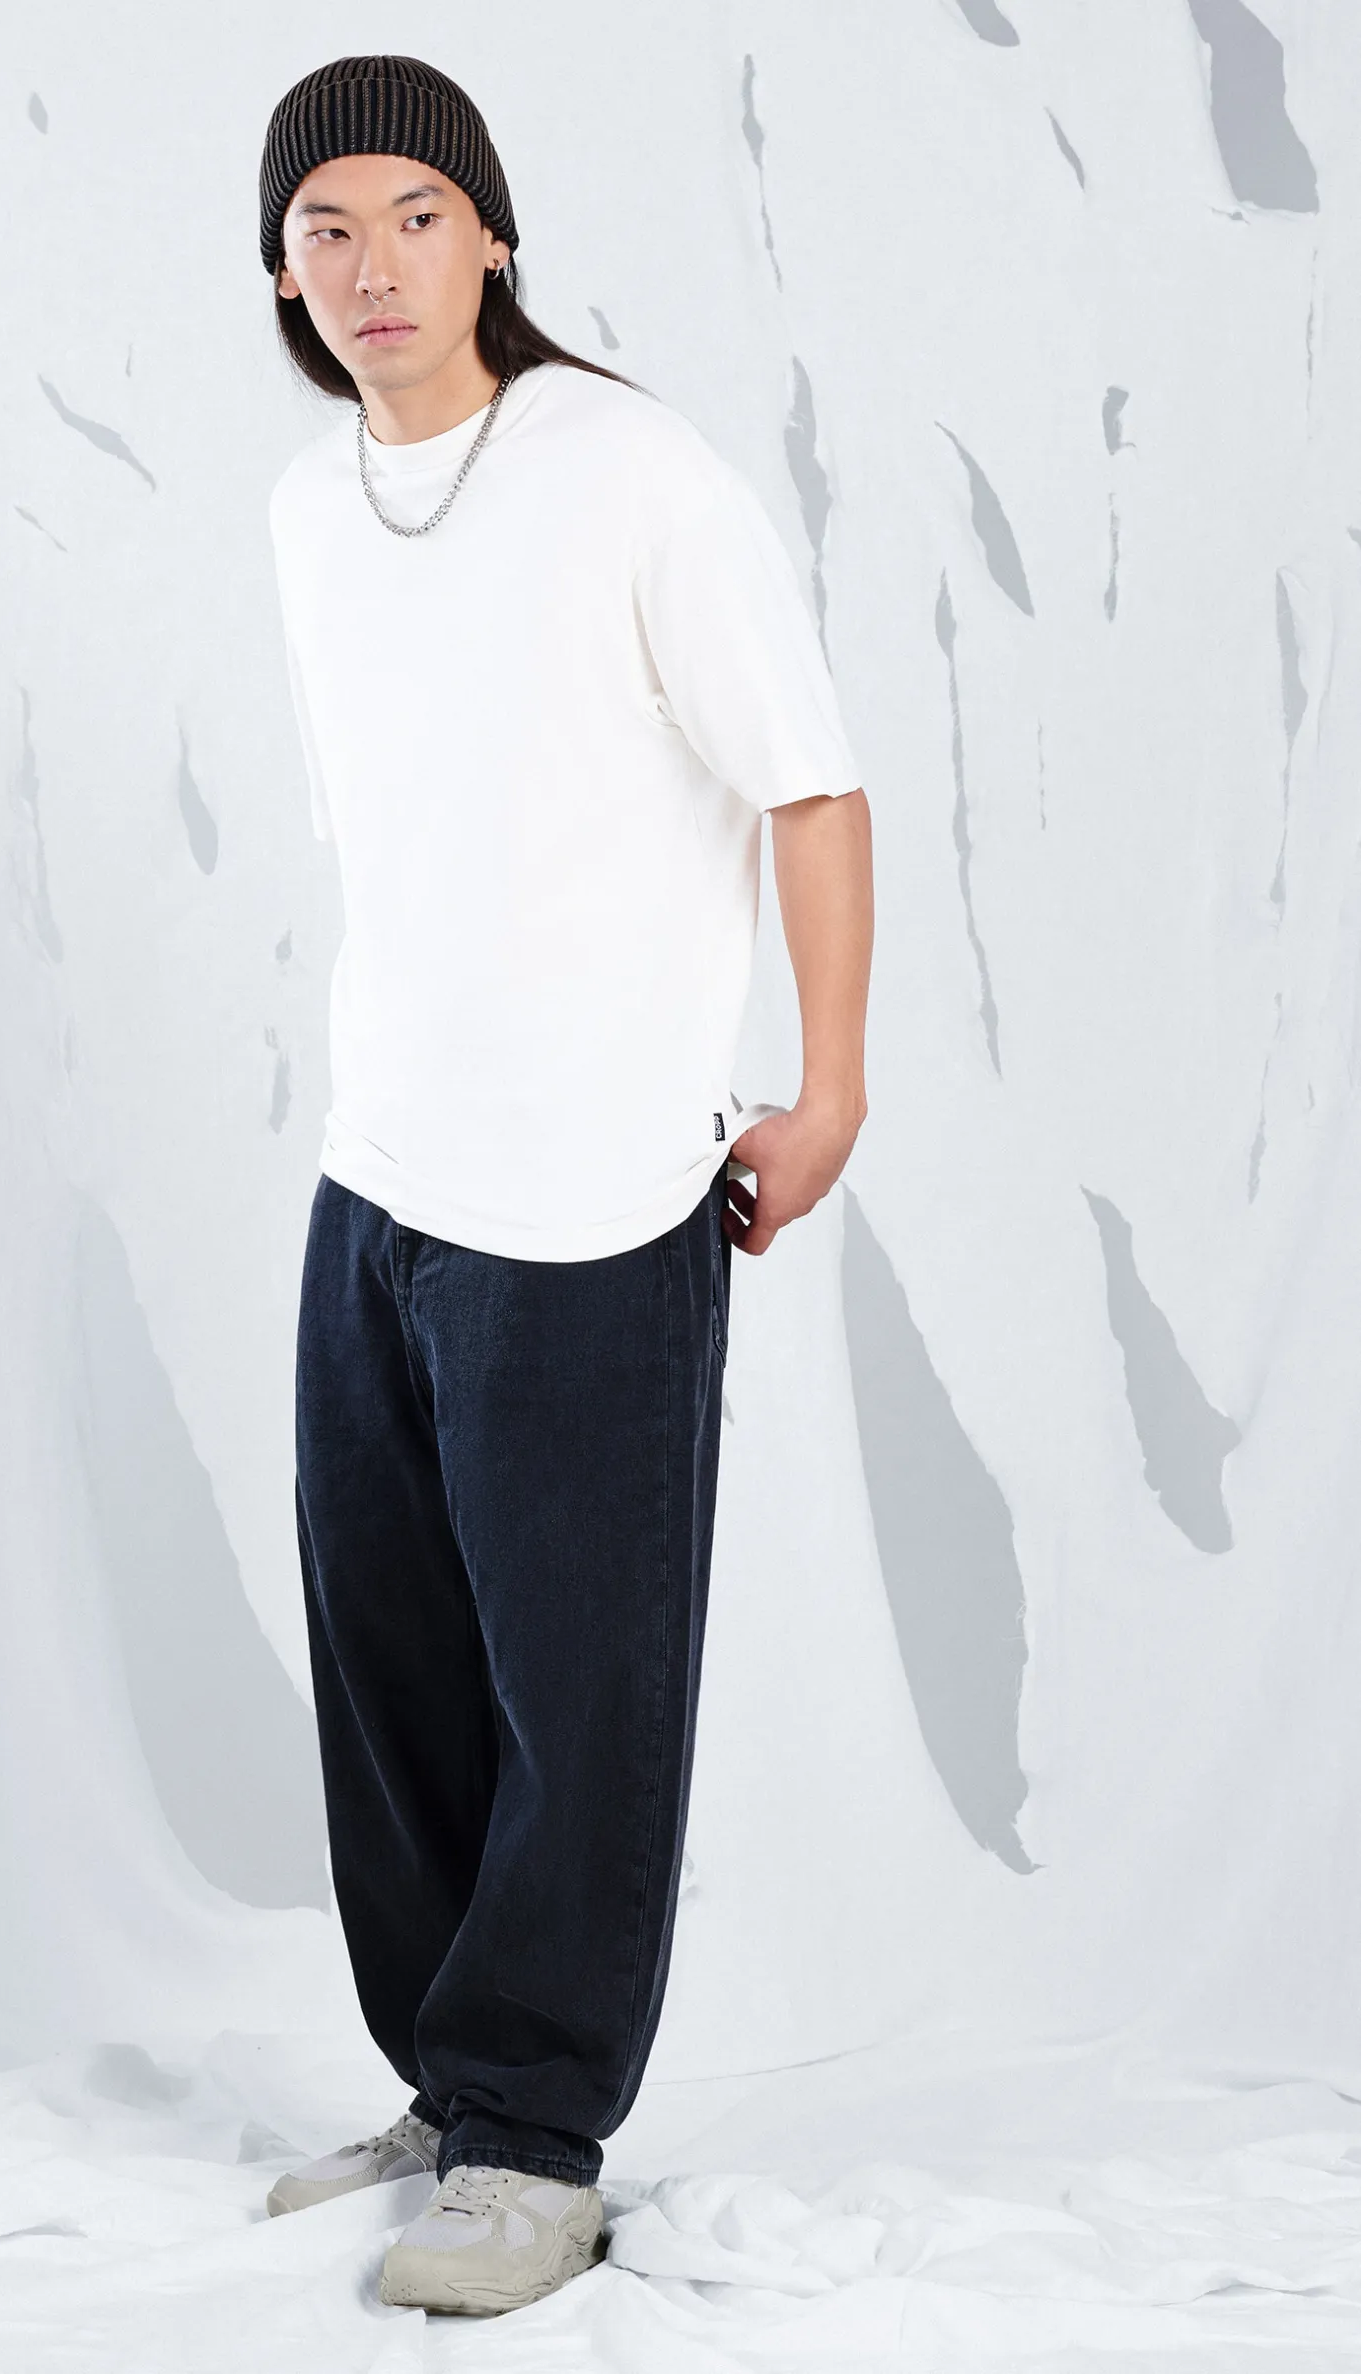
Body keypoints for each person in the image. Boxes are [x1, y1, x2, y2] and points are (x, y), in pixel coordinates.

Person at [256, 53, 873, 2318]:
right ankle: (448, 2085)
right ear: (281, 273)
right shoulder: (310, 507)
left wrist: (828, 1088)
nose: (372, 266)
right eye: (324, 229)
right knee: (393, 1672)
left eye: (413, 215)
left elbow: (810, 785)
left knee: (577, 1689)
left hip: (597, 1196)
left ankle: (535, 2137)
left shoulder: (632, 474)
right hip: (378, 1181)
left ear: (490, 234)